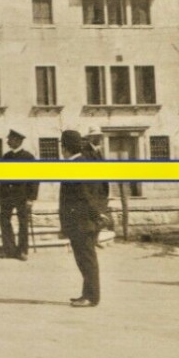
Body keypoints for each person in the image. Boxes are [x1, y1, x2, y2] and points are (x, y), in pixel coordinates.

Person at [58, 129, 109, 307]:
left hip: (82, 222)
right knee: (84, 259)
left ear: (65, 148)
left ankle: (91, 297)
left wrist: (97, 215)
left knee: (87, 260)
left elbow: (85, 196)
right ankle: (86, 294)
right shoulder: (83, 162)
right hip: (79, 222)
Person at [0, 129, 39, 260]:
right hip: (7, 196)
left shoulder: (28, 157)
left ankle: (22, 251)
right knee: (4, 221)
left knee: (23, 223)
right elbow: (2, 179)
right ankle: (9, 250)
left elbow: (34, 179)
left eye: (10, 139)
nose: (7, 141)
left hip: (22, 196)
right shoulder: (6, 157)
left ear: (17, 141)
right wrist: (0, 195)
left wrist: (31, 198)